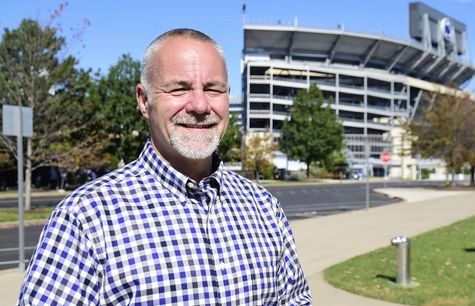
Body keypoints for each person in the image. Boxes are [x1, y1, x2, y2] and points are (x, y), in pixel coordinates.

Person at [18, 28, 312, 305]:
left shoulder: (264, 208)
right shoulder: (86, 219)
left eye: (213, 89)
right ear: (144, 101)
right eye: (179, 89)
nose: (199, 105)